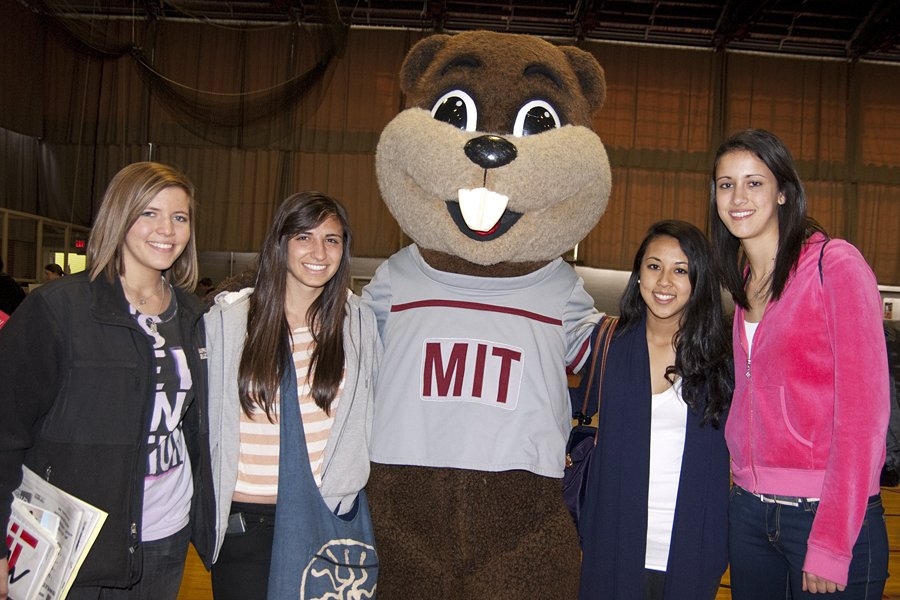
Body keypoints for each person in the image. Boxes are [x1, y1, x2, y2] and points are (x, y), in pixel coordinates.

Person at [0, 161, 214, 599]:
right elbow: (6, 431)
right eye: (149, 213)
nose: (167, 230)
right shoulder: (58, 309)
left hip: (165, 535)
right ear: (120, 216)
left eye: (179, 217)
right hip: (74, 539)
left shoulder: (196, 317)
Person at [710, 128, 889, 598]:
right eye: (726, 184)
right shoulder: (744, 282)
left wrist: (831, 541)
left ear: (783, 193)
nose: (738, 197)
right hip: (750, 513)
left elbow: (864, 416)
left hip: (823, 515)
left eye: (754, 182)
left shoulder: (836, 265)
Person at [204, 191, 380, 599]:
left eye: (331, 239)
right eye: (304, 237)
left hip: (326, 518)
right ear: (280, 243)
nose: (319, 252)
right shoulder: (229, 322)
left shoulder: (357, 325)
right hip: (247, 526)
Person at [576, 220, 733, 600]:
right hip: (611, 542)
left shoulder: (721, 358)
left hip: (691, 548)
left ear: (699, 280)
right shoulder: (609, 346)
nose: (664, 281)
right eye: (654, 266)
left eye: (680, 270)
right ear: (638, 274)